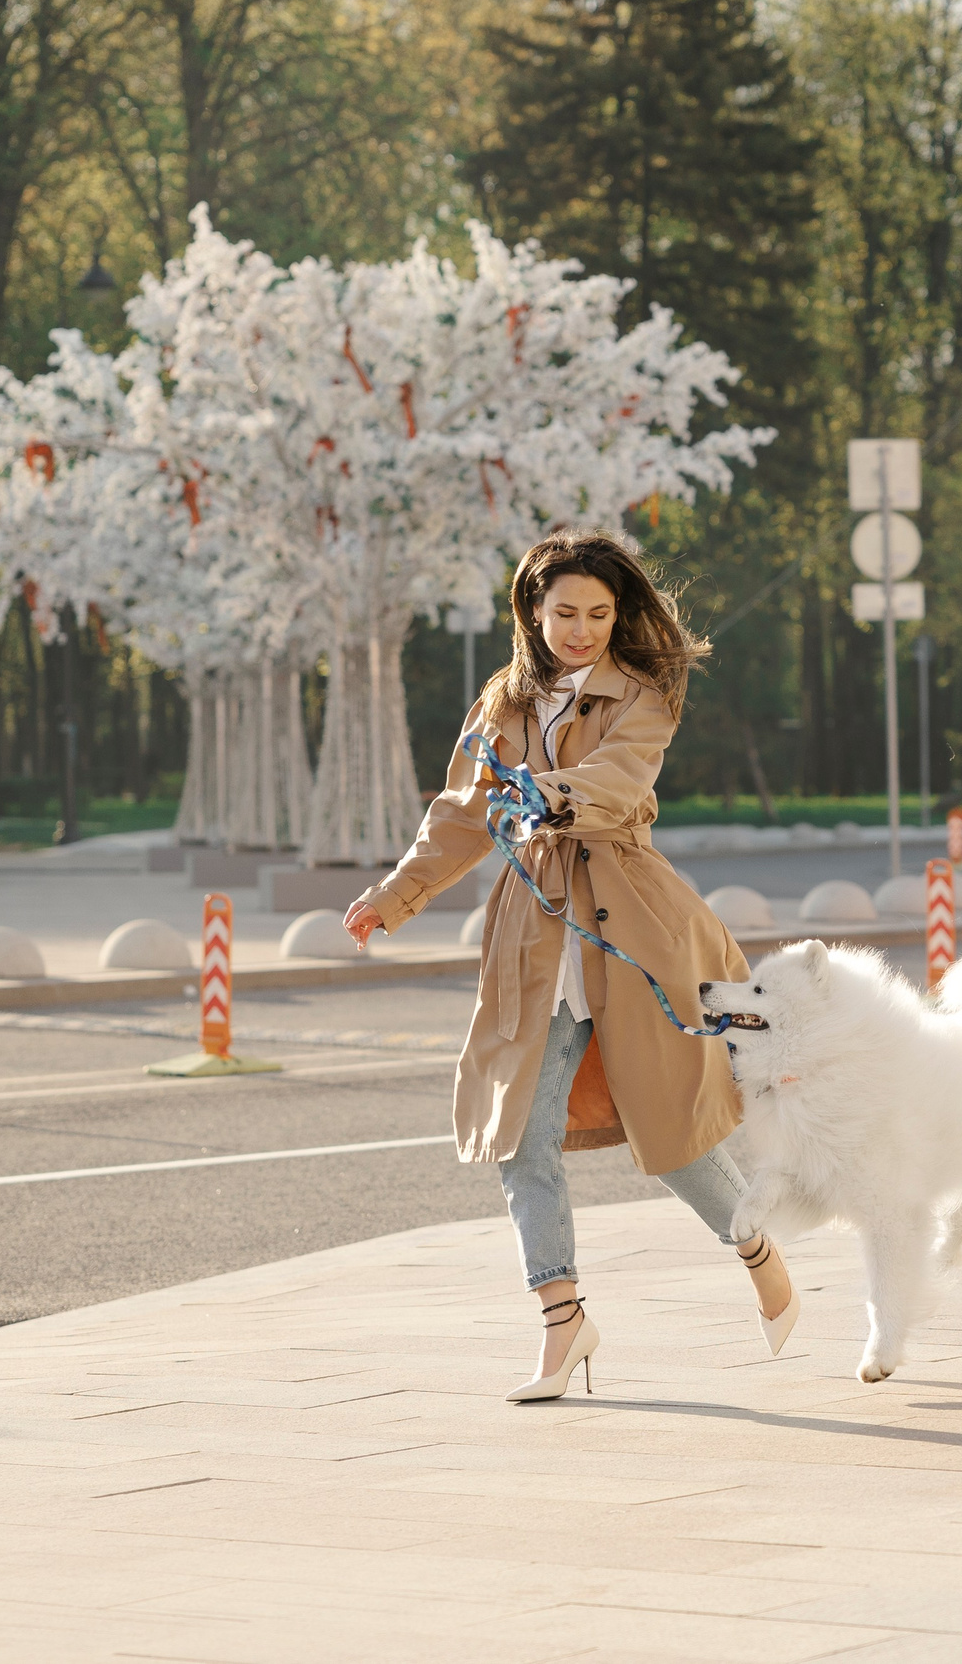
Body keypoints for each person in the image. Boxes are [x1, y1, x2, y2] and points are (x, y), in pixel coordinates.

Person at [344, 532, 797, 1401]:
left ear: (619, 613)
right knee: (521, 1133)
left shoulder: (644, 692)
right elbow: (460, 812)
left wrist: (548, 795)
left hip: (630, 925)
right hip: (532, 931)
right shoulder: (503, 700)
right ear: (532, 612)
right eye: (564, 613)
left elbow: (620, 782)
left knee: (668, 1133)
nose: (581, 630)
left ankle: (754, 1245)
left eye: (598, 613)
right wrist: (396, 894)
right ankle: (563, 1319)